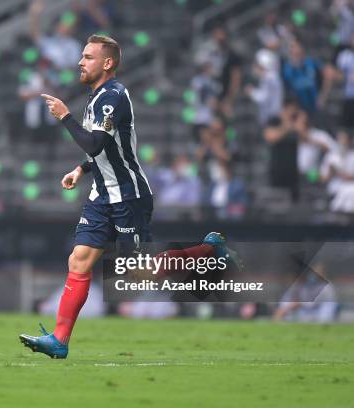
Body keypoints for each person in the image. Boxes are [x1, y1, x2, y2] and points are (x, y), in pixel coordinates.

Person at [19, 35, 230, 359]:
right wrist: (80, 169)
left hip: (128, 195)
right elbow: (101, 151)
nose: (80, 62)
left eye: (88, 57)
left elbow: (95, 144)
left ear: (107, 63)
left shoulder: (113, 96)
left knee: (136, 272)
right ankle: (59, 340)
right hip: (101, 195)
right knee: (78, 260)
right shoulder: (95, 99)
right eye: (81, 56)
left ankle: (208, 249)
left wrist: (64, 116)